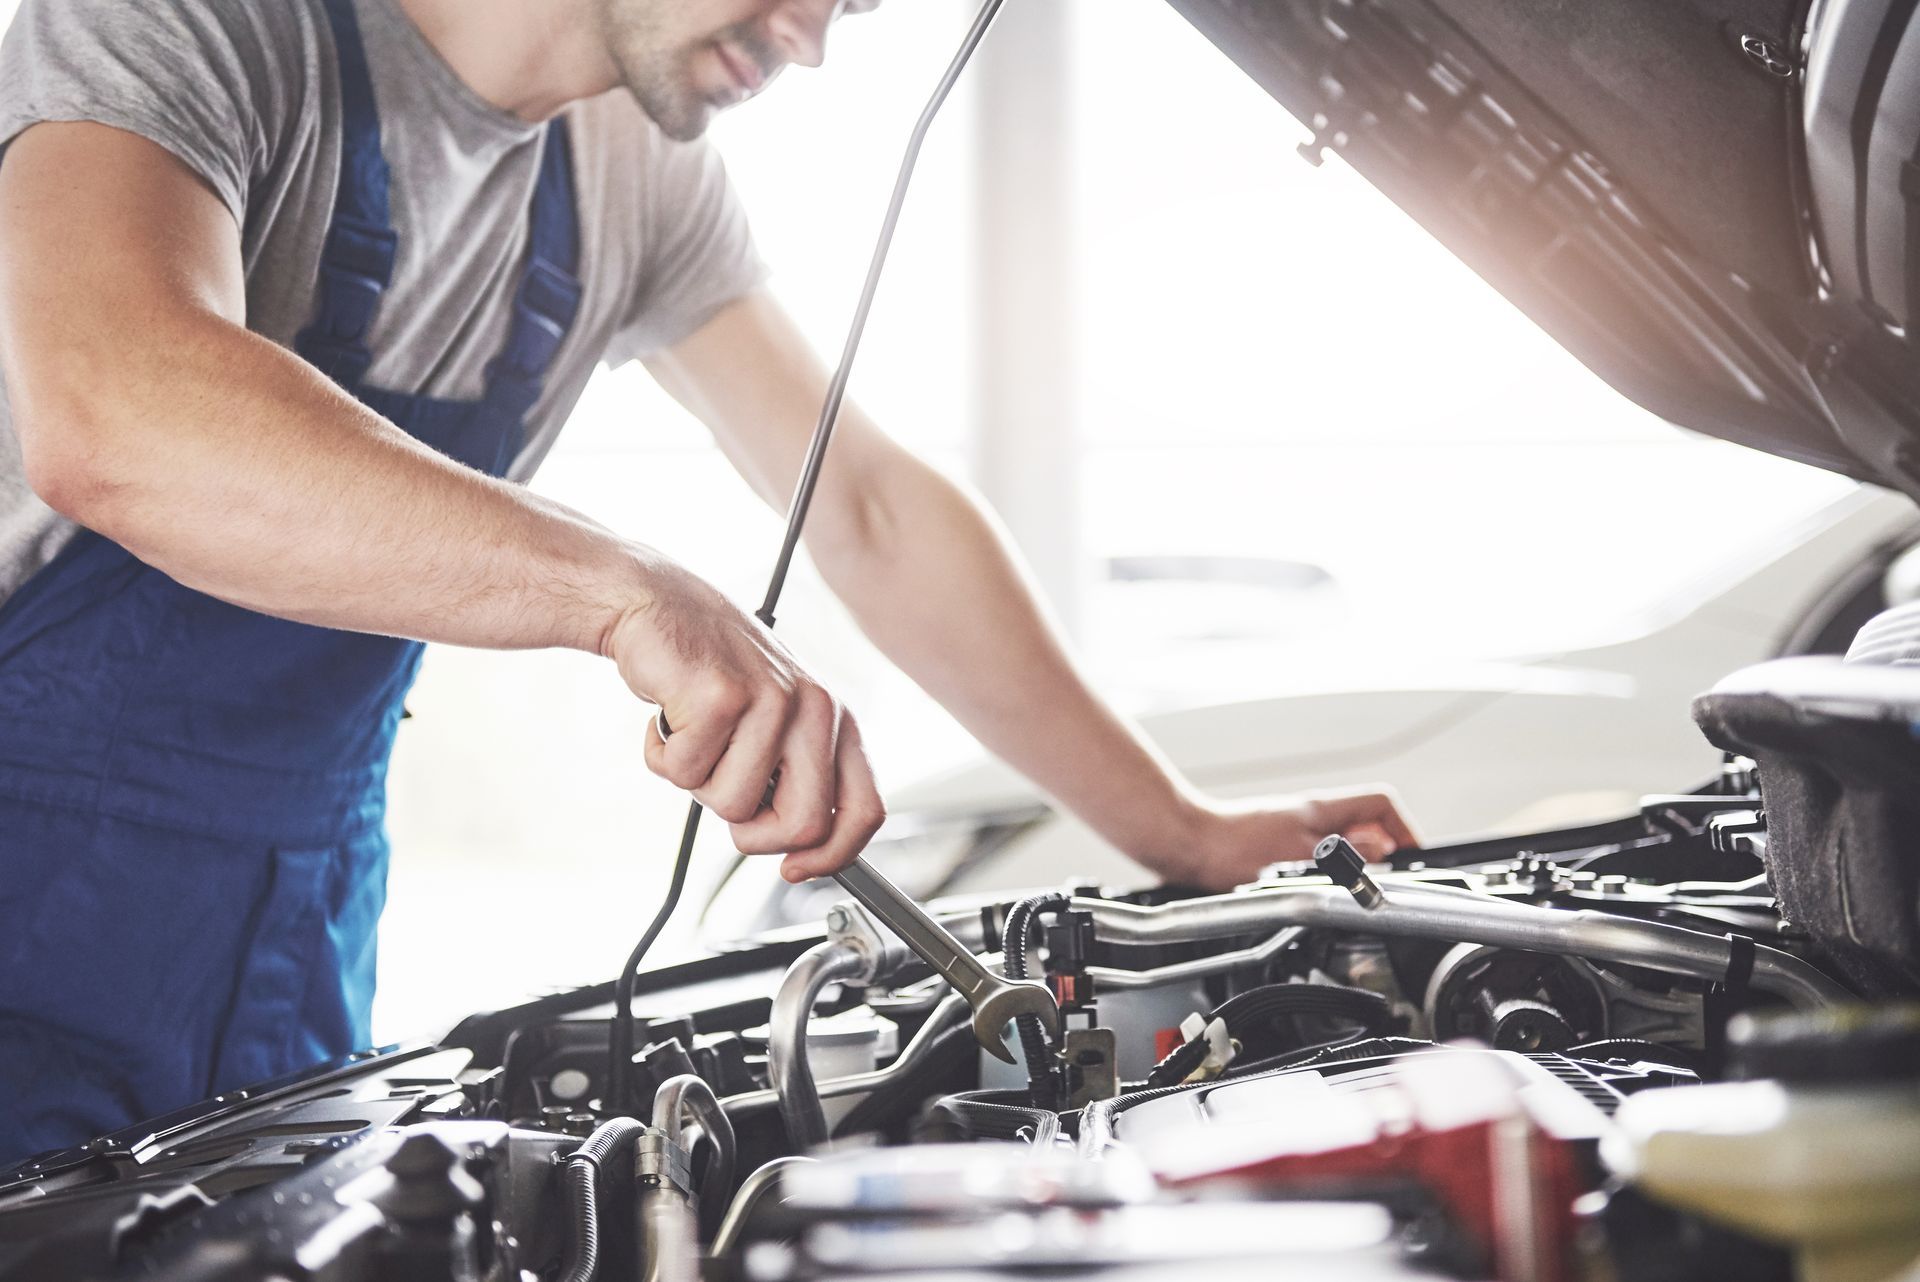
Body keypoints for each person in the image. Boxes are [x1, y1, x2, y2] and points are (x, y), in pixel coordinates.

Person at [0, 0, 1419, 1165]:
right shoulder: (186, 25)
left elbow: (867, 503)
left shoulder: (630, 174)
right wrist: (624, 589)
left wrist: (1184, 828)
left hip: (287, 924)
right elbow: (116, 405)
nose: (812, 40)